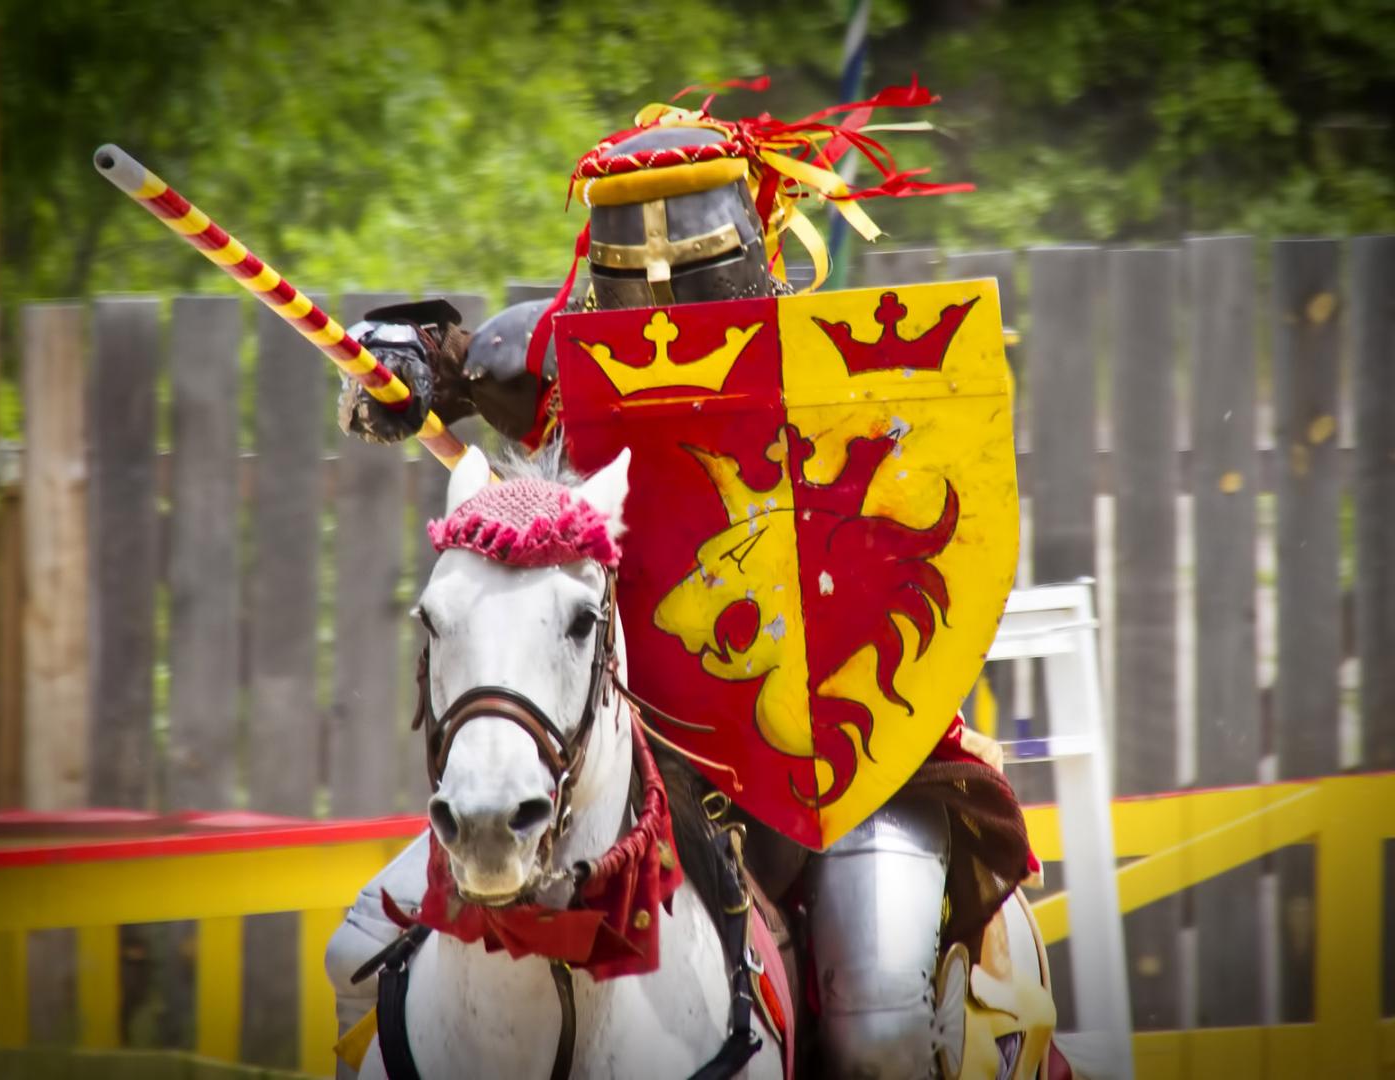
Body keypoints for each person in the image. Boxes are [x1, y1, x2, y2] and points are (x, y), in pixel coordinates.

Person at [326, 79, 1060, 1079]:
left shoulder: (838, 374)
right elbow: (439, 357)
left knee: (881, 1026)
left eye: (692, 248)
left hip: (836, 763)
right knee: (364, 950)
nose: (665, 276)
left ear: (752, 235)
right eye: (639, 253)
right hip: (612, 754)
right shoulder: (546, 359)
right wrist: (399, 359)